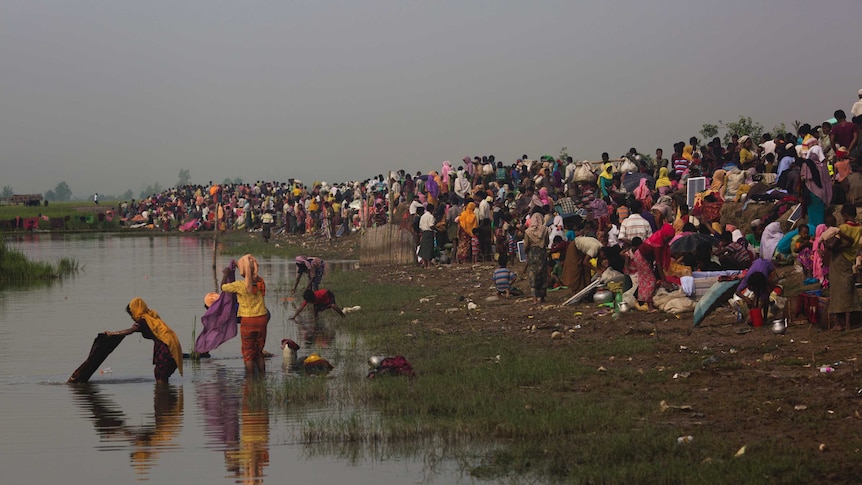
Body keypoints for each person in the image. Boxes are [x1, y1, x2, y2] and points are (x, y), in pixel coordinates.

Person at [104, 297, 183, 384]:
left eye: (131, 314)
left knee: (160, 377)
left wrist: (112, 333)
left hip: (165, 347)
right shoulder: (152, 316)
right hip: (174, 347)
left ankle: (162, 394)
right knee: (163, 376)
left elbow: (130, 331)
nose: (132, 318)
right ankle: (166, 395)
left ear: (136, 310)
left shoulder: (143, 321)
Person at [221, 254, 269, 378]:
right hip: (262, 319)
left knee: (248, 353)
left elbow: (223, 287)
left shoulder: (239, 285)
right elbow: (250, 274)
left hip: (248, 321)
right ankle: (263, 379)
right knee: (259, 352)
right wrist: (240, 265)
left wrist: (226, 274)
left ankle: (250, 381)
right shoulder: (260, 282)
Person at [825, 204, 862, 330]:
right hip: (849, 260)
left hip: (839, 260)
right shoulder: (859, 228)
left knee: (837, 291)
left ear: (845, 215)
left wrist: (825, 242)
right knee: (848, 289)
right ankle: (848, 322)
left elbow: (833, 245)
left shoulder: (843, 228)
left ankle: (839, 323)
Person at [734, 258, 776, 326]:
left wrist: (759, 308)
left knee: (765, 298)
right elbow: (737, 291)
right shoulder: (747, 278)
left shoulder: (763, 279)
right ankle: (754, 315)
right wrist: (746, 299)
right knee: (755, 298)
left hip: (768, 266)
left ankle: (765, 319)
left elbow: (765, 296)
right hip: (756, 263)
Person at [522, 211, 549, 304]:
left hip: (532, 254)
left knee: (533, 276)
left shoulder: (528, 232)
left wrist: (526, 253)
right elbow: (547, 242)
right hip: (542, 254)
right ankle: (542, 297)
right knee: (543, 275)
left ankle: (534, 298)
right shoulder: (545, 229)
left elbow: (526, 245)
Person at [417, 203, 436, 268]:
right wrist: (436, 230)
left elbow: (420, 226)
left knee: (424, 249)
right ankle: (429, 265)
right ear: (432, 210)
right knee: (429, 249)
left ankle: (425, 265)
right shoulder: (431, 216)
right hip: (429, 233)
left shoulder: (423, 216)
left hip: (424, 233)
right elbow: (431, 226)